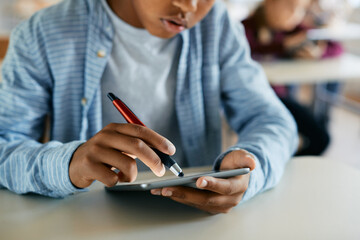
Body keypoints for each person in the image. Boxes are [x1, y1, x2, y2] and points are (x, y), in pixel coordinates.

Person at [0, 0, 297, 214]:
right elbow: (4, 144)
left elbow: (273, 120)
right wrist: (68, 163)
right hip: (83, 222)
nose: (189, 6)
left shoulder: (216, 26)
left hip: (191, 223)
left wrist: (250, 170)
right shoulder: (43, 32)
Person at [242, 0, 340, 156]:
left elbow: (335, 46)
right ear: (269, 3)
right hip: (252, 98)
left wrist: (318, 53)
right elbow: (248, 49)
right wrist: (283, 46)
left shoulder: (296, 29)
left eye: (301, 10)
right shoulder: (245, 28)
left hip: (279, 96)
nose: (295, 14)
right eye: (289, 7)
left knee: (319, 137)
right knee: (315, 137)